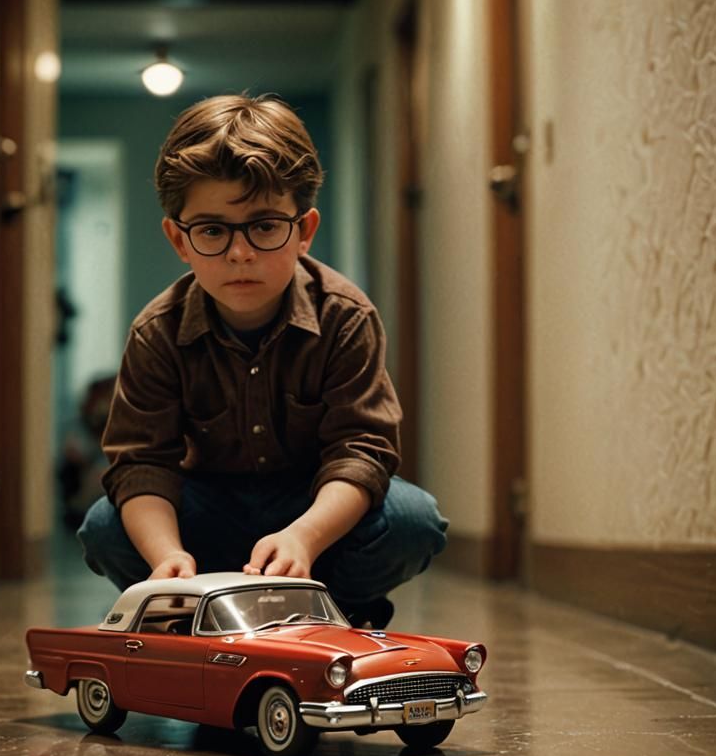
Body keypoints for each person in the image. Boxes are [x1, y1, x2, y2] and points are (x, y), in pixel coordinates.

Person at [77, 93, 447, 628]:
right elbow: (141, 466)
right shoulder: (157, 332)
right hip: (206, 515)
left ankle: (333, 610)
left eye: (265, 226)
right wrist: (166, 557)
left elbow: (362, 451)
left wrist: (305, 536)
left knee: (414, 520)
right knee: (104, 526)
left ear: (305, 231)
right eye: (212, 230)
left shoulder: (345, 317)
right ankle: (198, 609)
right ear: (178, 240)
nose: (240, 253)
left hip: (316, 515)